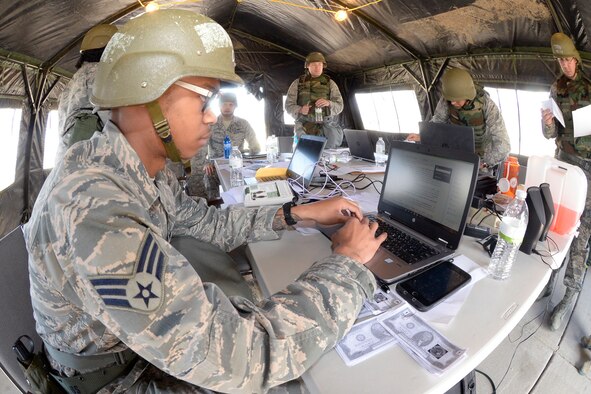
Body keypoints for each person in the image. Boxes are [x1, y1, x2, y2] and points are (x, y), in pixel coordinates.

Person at [23, 10, 386, 394]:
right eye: (202, 99)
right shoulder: (94, 207)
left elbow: (206, 223)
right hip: (121, 379)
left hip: (134, 346)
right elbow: (244, 359)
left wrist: (294, 214)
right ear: (144, 95)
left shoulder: (139, 169)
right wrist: (346, 264)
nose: (213, 116)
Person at [541, 32, 591, 331]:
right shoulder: (556, 87)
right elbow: (550, 135)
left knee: (581, 232)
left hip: (589, 169)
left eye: (569, 59)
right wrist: (547, 124)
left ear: (577, 58)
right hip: (563, 163)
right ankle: (548, 278)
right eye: (560, 60)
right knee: (555, 222)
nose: (565, 65)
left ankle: (569, 296)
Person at [406, 68, 511, 171]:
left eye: (456, 100)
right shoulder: (448, 99)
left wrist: (484, 163)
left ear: (467, 94)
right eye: (450, 99)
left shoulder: (487, 105)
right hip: (455, 155)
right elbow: (437, 122)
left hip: (480, 161)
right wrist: (423, 136)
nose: (452, 103)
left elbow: (503, 144)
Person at [54, 24, 118, 163]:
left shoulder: (75, 78)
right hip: (87, 163)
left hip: (66, 161)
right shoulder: (101, 75)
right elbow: (116, 122)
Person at [190, 92, 260, 201]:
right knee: (208, 176)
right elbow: (202, 147)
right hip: (215, 165)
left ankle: (242, 204)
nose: (227, 107)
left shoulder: (243, 123)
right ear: (219, 106)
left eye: (230, 104)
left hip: (237, 164)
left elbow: (255, 146)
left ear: (235, 106)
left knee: (247, 185)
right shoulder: (211, 124)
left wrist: (247, 157)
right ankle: (213, 204)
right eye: (223, 104)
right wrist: (206, 163)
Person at [285, 52, 345, 149]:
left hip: (326, 127)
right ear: (308, 66)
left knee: (328, 157)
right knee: (306, 155)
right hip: (304, 127)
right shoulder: (297, 83)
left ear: (323, 66)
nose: (317, 67)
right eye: (314, 64)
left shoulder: (330, 83)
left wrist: (328, 103)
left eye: (320, 64)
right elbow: (288, 106)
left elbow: (340, 106)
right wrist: (300, 109)